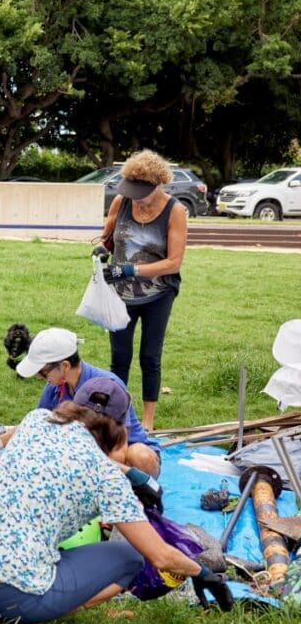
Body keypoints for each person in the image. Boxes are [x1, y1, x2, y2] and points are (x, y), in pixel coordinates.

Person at [0, 377, 231, 624]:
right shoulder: (106, 477)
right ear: (121, 428)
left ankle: (11, 610)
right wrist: (203, 573)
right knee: (129, 558)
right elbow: (161, 557)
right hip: (6, 595)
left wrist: (133, 475)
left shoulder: (35, 420)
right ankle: (29, 622)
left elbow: (73, 451)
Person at [95, 149, 187, 430]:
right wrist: (101, 248)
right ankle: (117, 415)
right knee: (119, 357)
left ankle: (147, 421)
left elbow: (173, 263)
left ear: (157, 184)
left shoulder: (175, 211)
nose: (135, 197)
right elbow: (108, 237)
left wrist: (132, 269)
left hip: (158, 294)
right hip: (120, 294)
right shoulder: (122, 202)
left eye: (141, 192)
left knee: (150, 356)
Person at [16, 327, 160, 477]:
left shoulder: (108, 388)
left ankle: (139, 490)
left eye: (43, 372)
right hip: (86, 452)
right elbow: (35, 425)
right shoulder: (54, 386)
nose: (40, 377)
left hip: (119, 452)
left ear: (65, 366)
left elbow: (118, 451)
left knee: (139, 455)